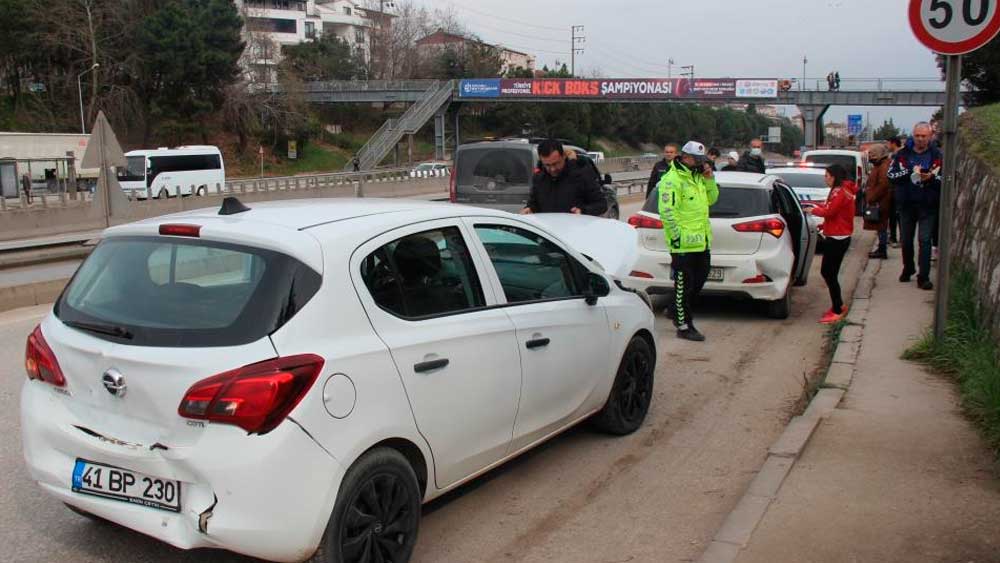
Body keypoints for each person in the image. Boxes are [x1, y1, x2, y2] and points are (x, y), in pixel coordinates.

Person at [657, 141, 718, 342]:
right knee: (684, 286)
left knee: (698, 282)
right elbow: (667, 212)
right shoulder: (672, 179)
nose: (702, 164)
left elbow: (712, 200)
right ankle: (684, 326)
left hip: (702, 241)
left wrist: (709, 179)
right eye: (699, 160)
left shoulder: (698, 177)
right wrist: (676, 238)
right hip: (682, 244)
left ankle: (675, 309)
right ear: (686, 158)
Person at [887, 122, 942, 290]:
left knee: (925, 240)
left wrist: (930, 178)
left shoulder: (938, 155)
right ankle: (908, 267)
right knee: (906, 240)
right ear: (913, 135)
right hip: (906, 204)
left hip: (928, 204)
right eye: (917, 135)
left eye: (923, 136)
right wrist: (910, 172)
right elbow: (891, 175)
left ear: (930, 136)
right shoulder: (902, 155)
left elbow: (946, 179)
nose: (920, 139)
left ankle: (923, 276)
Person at [807, 164, 857, 324]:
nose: (825, 178)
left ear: (834, 176)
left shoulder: (840, 192)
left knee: (829, 272)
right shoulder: (840, 190)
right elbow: (834, 212)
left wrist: (812, 211)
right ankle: (837, 305)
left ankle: (838, 307)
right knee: (829, 272)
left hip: (838, 238)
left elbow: (830, 212)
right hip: (837, 233)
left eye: (827, 175)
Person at [521, 139, 607, 216]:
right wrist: (529, 209)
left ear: (564, 156)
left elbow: (601, 204)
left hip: (575, 230)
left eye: (555, 164)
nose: (552, 169)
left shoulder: (581, 175)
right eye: (547, 165)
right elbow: (534, 203)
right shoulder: (539, 178)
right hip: (546, 232)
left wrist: (583, 211)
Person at [862, 144, 893, 259]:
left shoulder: (883, 166)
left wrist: (872, 197)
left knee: (882, 226)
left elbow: (883, 185)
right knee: (881, 227)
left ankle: (882, 249)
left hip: (881, 202)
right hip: (880, 201)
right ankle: (881, 248)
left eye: (872, 154)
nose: (870, 156)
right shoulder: (880, 165)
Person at [886, 136, 904, 246]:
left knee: (898, 216)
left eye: (888, 143)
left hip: (898, 190)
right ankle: (893, 237)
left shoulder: (899, 155)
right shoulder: (893, 155)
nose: (888, 146)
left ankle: (900, 239)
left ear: (893, 143)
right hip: (893, 190)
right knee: (893, 215)